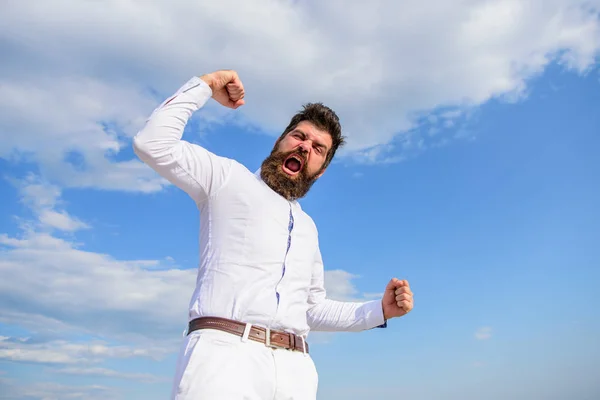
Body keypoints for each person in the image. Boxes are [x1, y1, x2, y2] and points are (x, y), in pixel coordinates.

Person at [133, 69, 414, 400]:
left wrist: (379, 310)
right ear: (279, 141)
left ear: (320, 171)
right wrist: (205, 87)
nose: (305, 146)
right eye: (298, 136)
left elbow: (311, 309)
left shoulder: (308, 227)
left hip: (295, 371)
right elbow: (152, 143)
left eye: (318, 147)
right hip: (224, 358)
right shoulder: (226, 179)